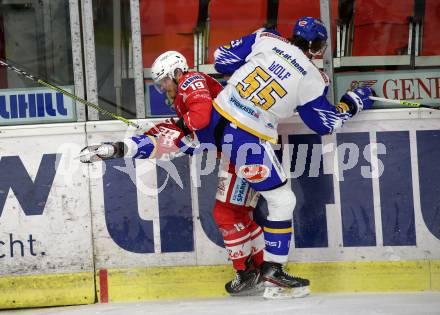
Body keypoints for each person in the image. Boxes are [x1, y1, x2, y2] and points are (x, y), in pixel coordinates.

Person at [81, 16, 376, 299]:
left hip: (217, 120)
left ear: (291, 35)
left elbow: (222, 59)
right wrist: (354, 101)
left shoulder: (266, 39)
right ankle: (273, 269)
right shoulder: (314, 77)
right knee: (282, 201)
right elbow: (325, 123)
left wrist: (254, 69)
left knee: (203, 172)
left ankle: (119, 149)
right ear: (317, 48)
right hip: (247, 138)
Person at [79, 51, 266, 296]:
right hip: (239, 149)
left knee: (225, 213)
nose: (163, 87)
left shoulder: (191, 81)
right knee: (236, 213)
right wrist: (142, 136)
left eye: (165, 80)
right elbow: (185, 129)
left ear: (178, 73)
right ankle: (260, 269)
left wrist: (175, 130)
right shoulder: (183, 95)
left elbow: (199, 120)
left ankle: (250, 271)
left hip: (243, 149)